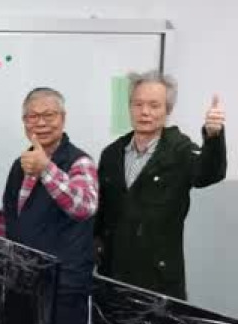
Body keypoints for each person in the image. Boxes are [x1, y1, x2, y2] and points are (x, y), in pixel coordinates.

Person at [97, 71, 227, 300]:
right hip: (112, 277)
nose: (145, 112)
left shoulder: (180, 151)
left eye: (154, 105)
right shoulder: (111, 154)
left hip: (159, 282)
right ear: (130, 107)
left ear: (168, 110)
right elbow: (101, 213)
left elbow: (208, 174)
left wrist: (213, 136)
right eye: (138, 104)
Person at [0, 87, 98, 324]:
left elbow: (84, 206)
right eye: (32, 116)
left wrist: (46, 169)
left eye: (49, 115)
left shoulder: (79, 162)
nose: (40, 123)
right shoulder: (21, 163)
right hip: (25, 284)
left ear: (63, 118)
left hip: (63, 289)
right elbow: (7, 217)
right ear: (24, 122)